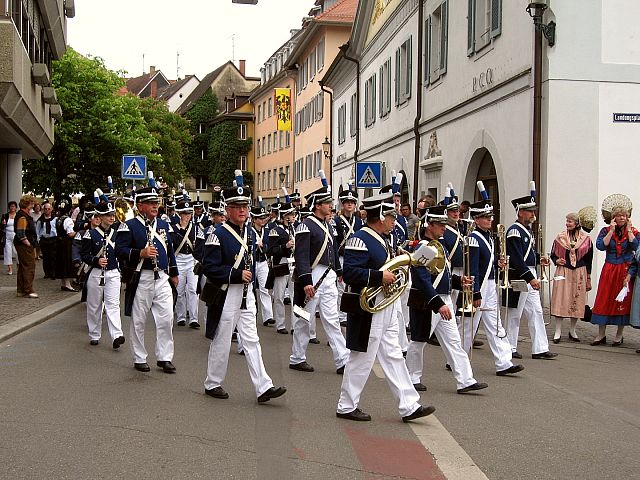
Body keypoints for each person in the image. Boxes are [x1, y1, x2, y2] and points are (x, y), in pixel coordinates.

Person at [336, 191, 436, 422]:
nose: (394, 220)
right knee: (362, 357)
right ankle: (346, 405)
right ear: (380, 216)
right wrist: (378, 276)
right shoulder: (359, 238)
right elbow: (350, 273)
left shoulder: (385, 239)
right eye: (391, 216)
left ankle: (409, 405)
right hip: (368, 308)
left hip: (385, 305)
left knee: (393, 355)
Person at [201, 171, 286, 403]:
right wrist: (237, 274)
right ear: (227, 210)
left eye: (244, 207)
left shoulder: (250, 232)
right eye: (236, 206)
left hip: (246, 296)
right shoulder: (216, 234)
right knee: (222, 337)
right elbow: (209, 266)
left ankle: (263, 387)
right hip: (227, 292)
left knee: (252, 340)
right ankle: (212, 382)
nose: (242, 211)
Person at [406, 205, 489, 394]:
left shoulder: (440, 245)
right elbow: (421, 278)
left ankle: (465, 380)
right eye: (440, 224)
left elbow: (444, 274)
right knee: (418, 341)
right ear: (430, 226)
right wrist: (437, 303)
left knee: (453, 341)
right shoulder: (424, 247)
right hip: (428, 301)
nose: (444, 228)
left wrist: (460, 281)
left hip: (443, 300)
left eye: (444, 224)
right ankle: (412, 377)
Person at [115, 185, 179, 373]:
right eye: (150, 203)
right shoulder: (130, 225)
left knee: (167, 318)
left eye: (156, 203)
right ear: (140, 205)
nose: (154, 206)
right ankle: (139, 357)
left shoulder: (163, 224)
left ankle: (164, 357)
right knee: (139, 320)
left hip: (162, 277)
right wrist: (140, 253)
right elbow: (120, 250)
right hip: (142, 278)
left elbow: (170, 250)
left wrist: (174, 273)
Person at [290, 172, 349, 374]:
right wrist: (306, 280)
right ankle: (297, 357)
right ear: (317, 205)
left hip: (329, 276)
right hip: (312, 277)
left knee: (332, 319)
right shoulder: (304, 226)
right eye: (327, 203)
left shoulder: (328, 225)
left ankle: (342, 359)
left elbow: (332, 250)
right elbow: (302, 256)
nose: (330, 205)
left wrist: (339, 271)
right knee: (303, 318)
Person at [464, 192, 526, 375]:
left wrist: (497, 264)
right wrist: (475, 292)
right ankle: (458, 357)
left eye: (490, 216)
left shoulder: (489, 237)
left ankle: (504, 362)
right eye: (485, 217)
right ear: (476, 219)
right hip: (480, 285)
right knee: (469, 325)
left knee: (495, 323)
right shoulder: (473, 238)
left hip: (490, 284)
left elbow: (485, 262)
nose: (489, 219)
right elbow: (472, 268)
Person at [505, 185, 557, 359]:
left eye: (533, 211)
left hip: (530, 273)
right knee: (515, 313)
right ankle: (510, 346)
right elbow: (517, 258)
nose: (533, 214)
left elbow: (527, 254)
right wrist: (529, 278)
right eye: (529, 211)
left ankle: (540, 348)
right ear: (520, 212)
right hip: (520, 276)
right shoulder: (514, 230)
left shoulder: (527, 230)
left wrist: (538, 258)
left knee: (536, 310)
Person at [591, 202, 639, 345]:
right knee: (604, 298)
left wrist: (629, 230)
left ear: (628, 217)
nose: (622, 218)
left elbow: (636, 247)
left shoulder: (634, 231)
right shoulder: (606, 231)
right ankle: (601, 335)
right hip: (609, 268)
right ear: (613, 218)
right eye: (618, 216)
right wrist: (611, 231)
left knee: (623, 300)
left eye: (624, 215)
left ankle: (619, 335)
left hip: (625, 269)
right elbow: (600, 246)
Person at [81, 201, 125, 348]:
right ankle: (94, 334)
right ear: (99, 216)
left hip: (113, 272)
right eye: (108, 215)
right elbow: (84, 255)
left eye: (112, 215)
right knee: (94, 306)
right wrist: (96, 260)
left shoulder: (118, 232)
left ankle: (117, 335)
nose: (112, 218)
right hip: (96, 273)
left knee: (113, 304)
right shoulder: (90, 234)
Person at [550, 213, 594, 343]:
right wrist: (557, 260)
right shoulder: (560, 237)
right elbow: (553, 254)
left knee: (577, 299)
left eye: (570, 221)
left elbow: (589, 261)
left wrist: (589, 278)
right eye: (567, 221)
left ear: (577, 224)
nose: (567, 223)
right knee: (560, 299)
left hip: (580, 272)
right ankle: (558, 331)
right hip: (563, 270)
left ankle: (572, 330)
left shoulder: (586, 239)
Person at [267, 196, 296, 334]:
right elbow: (271, 250)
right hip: (282, 263)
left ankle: (295, 326)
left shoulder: (295, 229)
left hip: (294, 264)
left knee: (295, 296)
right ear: (285, 216)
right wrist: (285, 245)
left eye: (294, 214)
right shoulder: (276, 231)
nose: (293, 217)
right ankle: (280, 324)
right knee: (279, 295)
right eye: (291, 214)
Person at [334, 186, 363, 327]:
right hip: (342, 257)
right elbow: (334, 244)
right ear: (342, 204)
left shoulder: (358, 222)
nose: (349, 204)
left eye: (352, 202)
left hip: (356, 258)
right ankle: (341, 315)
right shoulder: (336, 221)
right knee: (341, 288)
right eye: (346, 202)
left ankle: (352, 312)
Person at [171, 198, 200, 329]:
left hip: (191, 260)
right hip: (179, 260)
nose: (187, 216)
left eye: (189, 213)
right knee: (180, 290)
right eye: (184, 213)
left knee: (193, 290)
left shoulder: (195, 228)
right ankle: (181, 316)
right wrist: (182, 229)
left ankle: (194, 318)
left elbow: (199, 245)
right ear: (179, 214)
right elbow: (175, 243)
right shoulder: (173, 228)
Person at [251, 198, 274, 327]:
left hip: (263, 261)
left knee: (265, 289)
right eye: (259, 218)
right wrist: (255, 245)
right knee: (252, 289)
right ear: (254, 219)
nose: (262, 220)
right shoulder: (249, 231)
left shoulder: (267, 230)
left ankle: (268, 316)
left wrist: (263, 246)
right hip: (253, 263)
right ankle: (253, 313)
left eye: (262, 217)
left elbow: (269, 246)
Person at [13, 196, 38, 298]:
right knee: (29, 266)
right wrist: (28, 243)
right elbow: (20, 233)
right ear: (28, 204)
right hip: (24, 245)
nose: (33, 205)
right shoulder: (23, 216)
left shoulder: (23, 215)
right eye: (32, 203)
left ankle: (21, 290)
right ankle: (28, 290)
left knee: (23, 267)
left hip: (22, 244)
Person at [55, 197, 79, 292]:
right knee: (67, 262)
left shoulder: (58, 219)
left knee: (61, 262)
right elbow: (70, 233)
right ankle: (68, 284)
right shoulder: (68, 220)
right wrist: (79, 232)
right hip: (66, 243)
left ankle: (64, 283)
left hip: (59, 243)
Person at [36, 201, 58, 279]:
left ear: (51, 209)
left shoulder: (55, 219)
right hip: (44, 240)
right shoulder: (40, 220)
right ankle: (47, 273)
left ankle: (53, 273)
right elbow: (37, 230)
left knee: (53, 256)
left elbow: (57, 229)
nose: (47, 210)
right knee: (45, 257)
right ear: (43, 210)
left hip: (53, 239)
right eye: (46, 209)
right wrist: (38, 240)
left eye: (49, 209)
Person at [2, 201, 18, 275]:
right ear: (9, 207)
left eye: (14, 206)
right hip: (7, 235)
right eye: (11, 206)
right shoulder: (5, 216)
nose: (12, 208)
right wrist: (3, 224)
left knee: (16, 252)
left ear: (16, 208)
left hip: (16, 235)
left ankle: (19, 267)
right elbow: (1, 227)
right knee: (7, 252)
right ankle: (10, 269)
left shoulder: (18, 215)